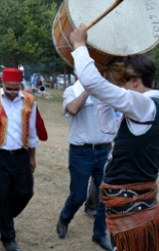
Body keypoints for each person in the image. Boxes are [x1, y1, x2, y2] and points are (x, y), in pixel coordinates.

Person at [68, 23, 159, 251]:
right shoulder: (149, 110)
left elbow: (92, 82)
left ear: (135, 81)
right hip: (132, 203)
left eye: (123, 83)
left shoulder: (145, 104)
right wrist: (109, 88)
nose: (120, 89)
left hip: (131, 204)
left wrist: (79, 46)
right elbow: (107, 126)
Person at [56, 81, 113, 250]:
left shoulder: (105, 90)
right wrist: (88, 90)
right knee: (78, 195)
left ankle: (99, 233)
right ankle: (64, 219)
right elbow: (72, 109)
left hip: (104, 151)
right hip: (81, 152)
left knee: (106, 193)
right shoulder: (71, 91)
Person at [0, 68, 39, 251]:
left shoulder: (29, 100)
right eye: (8, 89)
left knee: (25, 192)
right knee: (1, 196)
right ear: (2, 83)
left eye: (15, 89)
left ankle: (5, 216)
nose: (11, 93)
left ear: (20, 85)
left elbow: (32, 131)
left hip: (21, 154)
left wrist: (32, 157)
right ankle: (8, 238)